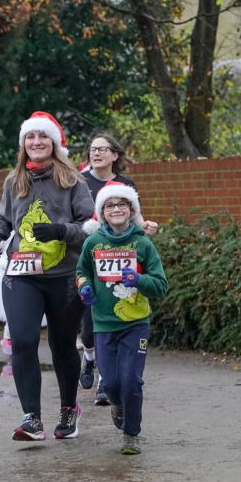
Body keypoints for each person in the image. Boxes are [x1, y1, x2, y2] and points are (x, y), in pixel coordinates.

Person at [0, 111, 94, 441]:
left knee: (62, 346)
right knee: (23, 340)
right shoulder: (13, 180)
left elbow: (92, 227)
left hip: (62, 276)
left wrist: (61, 230)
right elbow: (2, 219)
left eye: (42, 136)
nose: (36, 142)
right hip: (21, 273)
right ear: (23, 145)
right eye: (30, 137)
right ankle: (31, 417)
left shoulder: (74, 181)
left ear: (54, 142)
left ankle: (68, 408)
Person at [76, 183, 167, 455]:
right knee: (112, 384)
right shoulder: (93, 243)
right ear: (102, 212)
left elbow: (161, 285)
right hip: (103, 324)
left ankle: (131, 434)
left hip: (135, 324)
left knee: (131, 381)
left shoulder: (143, 244)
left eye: (122, 204)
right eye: (109, 205)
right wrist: (84, 287)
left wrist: (139, 279)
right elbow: (81, 271)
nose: (116, 209)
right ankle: (117, 405)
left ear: (131, 210)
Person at [80, 131, 158, 404]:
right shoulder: (80, 181)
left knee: (111, 313)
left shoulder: (125, 184)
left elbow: (136, 219)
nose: (96, 153)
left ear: (115, 155)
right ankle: (89, 357)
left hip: (121, 257)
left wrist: (146, 228)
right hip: (88, 254)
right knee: (88, 325)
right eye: (92, 149)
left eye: (102, 149)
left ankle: (105, 382)